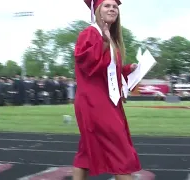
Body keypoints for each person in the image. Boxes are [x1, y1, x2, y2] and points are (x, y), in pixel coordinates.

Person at [73, 0, 142, 179]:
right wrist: (103, 41)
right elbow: (86, 63)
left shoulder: (110, 38)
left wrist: (128, 70)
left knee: (86, 154)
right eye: (107, 5)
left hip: (106, 100)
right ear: (97, 10)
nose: (112, 9)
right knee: (120, 152)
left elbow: (108, 73)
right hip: (95, 102)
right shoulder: (90, 34)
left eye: (115, 6)